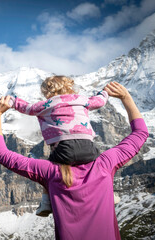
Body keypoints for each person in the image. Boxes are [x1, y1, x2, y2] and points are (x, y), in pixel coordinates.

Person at [0, 82, 148, 239]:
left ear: (54, 144)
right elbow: (140, 133)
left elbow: (0, 153)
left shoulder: (51, 172)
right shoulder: (105, 165)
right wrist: (126, 97)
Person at [8, 75, 109, 216]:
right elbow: (99, 102)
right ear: (69, 87)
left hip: (63, 148)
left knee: (49, 174)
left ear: (47, 92)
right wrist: (104, 93)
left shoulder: (46, 104)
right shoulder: (81, 100)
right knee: (98, 168)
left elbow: (27, 108)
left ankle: (46, 203)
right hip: (88, 147)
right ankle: (109, 192)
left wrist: (12, 101)